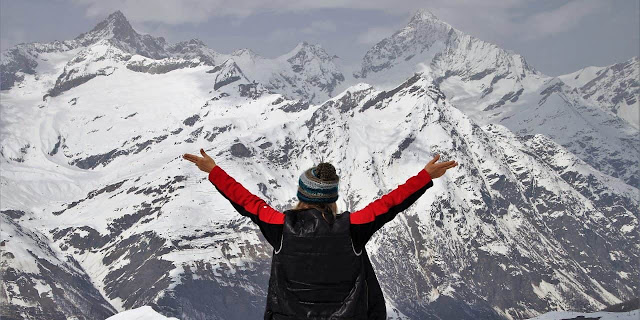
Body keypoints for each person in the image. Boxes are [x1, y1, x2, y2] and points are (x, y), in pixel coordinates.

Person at [183, 148, 457, 319]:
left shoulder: (280, 227)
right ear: (332, 198)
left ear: (302, 195)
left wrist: (214, 171)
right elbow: (391, 203)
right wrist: (425, 176)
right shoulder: (354, 227)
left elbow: (247, 201)